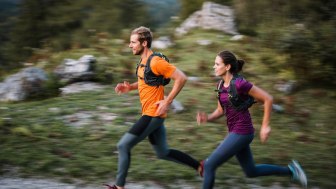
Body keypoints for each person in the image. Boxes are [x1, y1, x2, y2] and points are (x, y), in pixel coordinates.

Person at [105, 26, 201, 189]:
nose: (130, 45)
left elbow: (182, 78)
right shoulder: (144, 61)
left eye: (133, 42)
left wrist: (167, 101)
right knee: (163, 153)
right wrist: (130, 87)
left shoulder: (156, 61)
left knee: (123, 145)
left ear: (144, 43)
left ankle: (119, 187)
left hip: (152, 115)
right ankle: (200, 166)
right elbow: (146, 81)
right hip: (153, 114)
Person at [196, 50, 307, 189]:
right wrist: (207, 118)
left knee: (210, 165)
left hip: (242, 132)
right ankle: (292, 171)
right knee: (251, 171)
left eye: (217, 64)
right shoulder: (219, 86)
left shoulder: (240, 84)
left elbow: (268, 99)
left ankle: (292, 171)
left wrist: (265, 126)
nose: (214, 66)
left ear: (227, 66)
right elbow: (220, 111)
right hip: (234, 132)